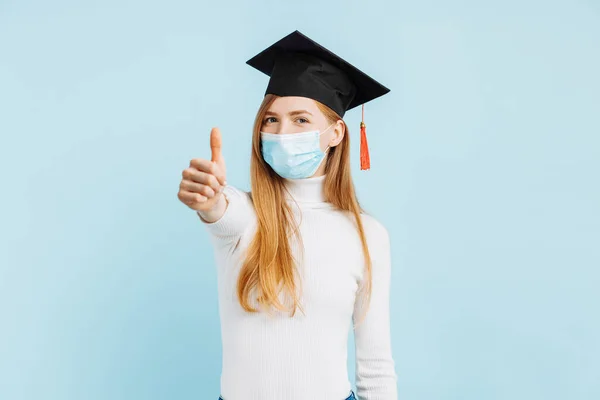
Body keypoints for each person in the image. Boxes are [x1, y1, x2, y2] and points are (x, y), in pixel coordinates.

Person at [177, 30, 397, 400]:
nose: (281, 132)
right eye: (270, 120)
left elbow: (376, 366)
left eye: (300, 120)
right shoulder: (244, 215)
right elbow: (219, 210)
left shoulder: (367, 235)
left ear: (335, 133)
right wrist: (206, 196)